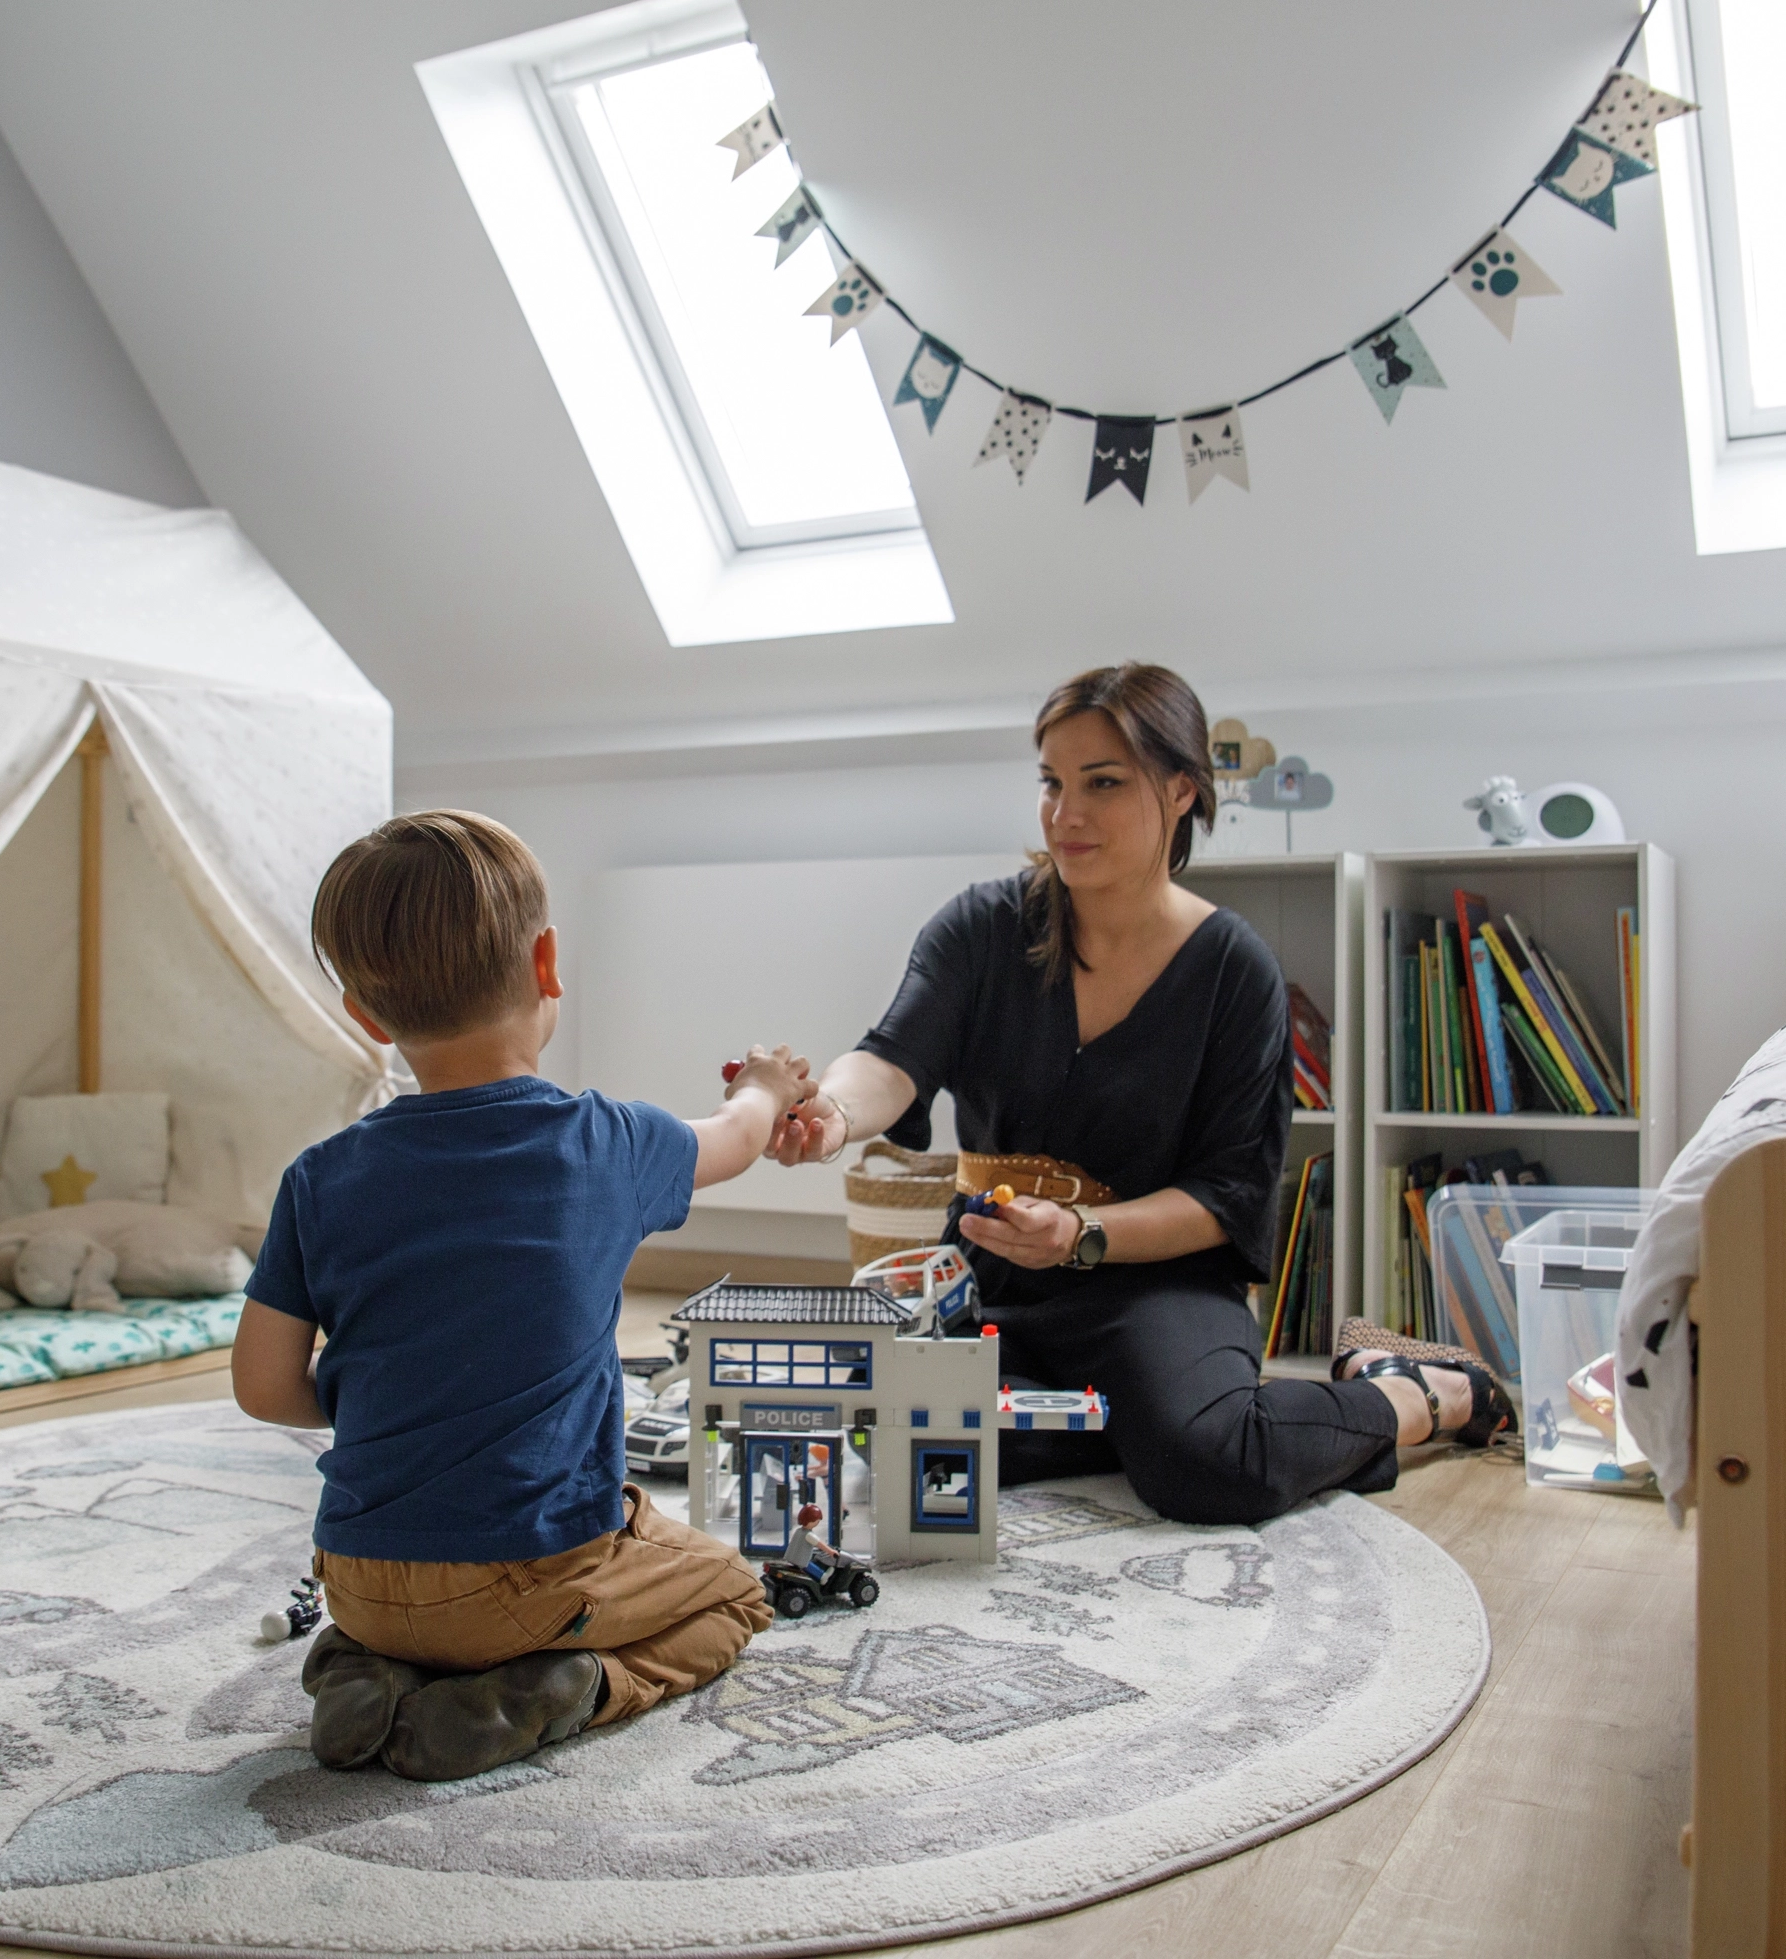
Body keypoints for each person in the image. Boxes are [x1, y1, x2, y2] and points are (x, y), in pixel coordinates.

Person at [765, 664, 1513, 1527]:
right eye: (1051, 782)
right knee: (890, 1439)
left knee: (1209, 1467)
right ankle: (1145, 1418)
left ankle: (1418, 1393)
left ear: (1181, 790)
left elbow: (1225, 1198)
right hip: (990, 1280)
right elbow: (891, 1059)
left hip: (1158, 1284)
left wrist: (1081, 1235)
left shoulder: (1235, 970)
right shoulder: (980, 927)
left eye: (1103, 783)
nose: (1064, 813)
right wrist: (834, 1114)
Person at [231, 810, 810, 1781]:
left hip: (358, 1579)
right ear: (547, 963)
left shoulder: (319, 1177)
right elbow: (737, 1134)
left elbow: (261, 1385)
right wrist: (766, 1082)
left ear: (364, 1016)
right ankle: (558, 1688)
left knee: (444, 1595)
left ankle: (364, 1666)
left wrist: (392, 1396)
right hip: (530, 1584)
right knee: (733, 1592)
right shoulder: (606, 1143)